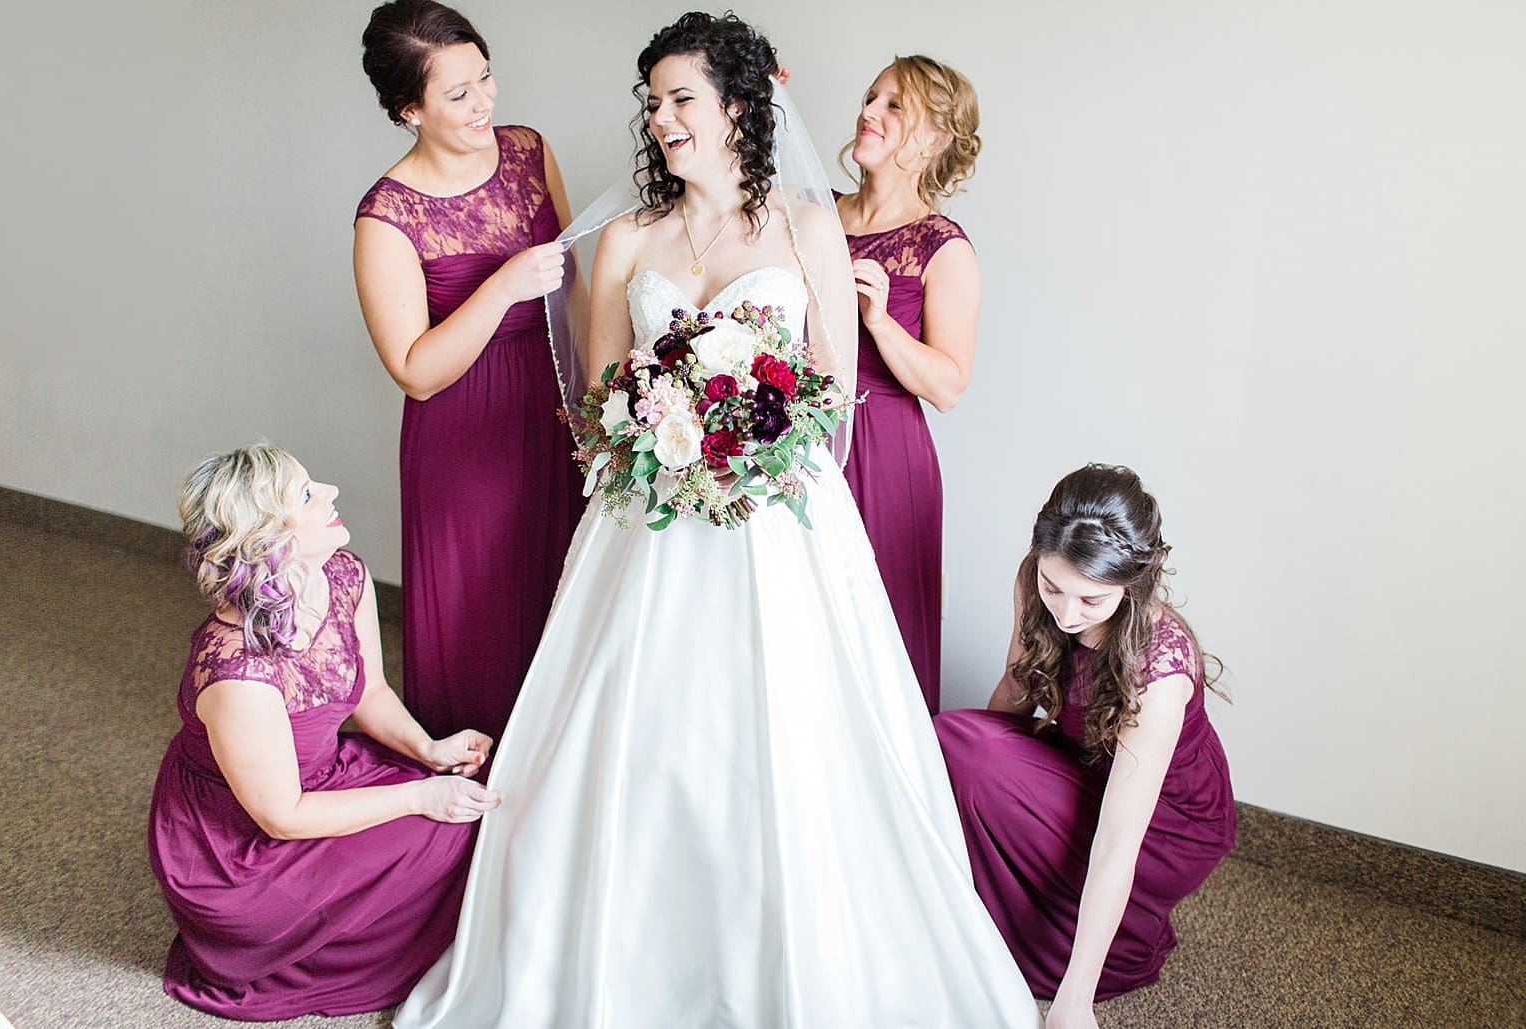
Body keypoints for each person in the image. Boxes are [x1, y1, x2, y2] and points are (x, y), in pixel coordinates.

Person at [394, 14, 1041, 1028]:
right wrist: (657, 430)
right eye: (652, 102)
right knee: (633, 748)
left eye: (681, 99)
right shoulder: (626, 240)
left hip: (776, 522)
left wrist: (748, 442)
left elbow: (831, 389)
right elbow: (600, 397)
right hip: (643, 523)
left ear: (739, 104)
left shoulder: (804, 226)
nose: (661, 120)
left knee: (786, 748)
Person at [147, 444, 500, 1020]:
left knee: (470, 803)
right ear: (269, 539)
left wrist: (429, 751)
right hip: (240, 850)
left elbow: (371, 691)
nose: (332, 493)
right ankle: (312, 951)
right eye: (308, 494)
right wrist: (420, 793)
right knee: (444, 824)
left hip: (322, 777)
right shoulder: (238, 674)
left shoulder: (341, 574)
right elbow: (282, 815)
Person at [354, 0, 585, 745]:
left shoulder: (528, 150)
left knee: (562, 591)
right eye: (457, 94)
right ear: (406, 110)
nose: (484, 101)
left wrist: (598, 402)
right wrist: (502, 286)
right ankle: (469, 783)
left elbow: (575, 282)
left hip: (554, 407)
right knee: (478, 608)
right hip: (461, 436)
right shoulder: (386, 216)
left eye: (484, 77)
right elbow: (415, 370)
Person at [934, 464, 1236, 1028]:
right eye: (1054, 588)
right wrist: (965, 793)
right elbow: (1013, 695)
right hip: (1087, 763)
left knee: (974, 755)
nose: (1066, 614)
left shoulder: (1160, 670)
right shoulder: (1037, 581)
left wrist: (1073, 1003)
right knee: (955, 741)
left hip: (1167, 826)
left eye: (1091, 601)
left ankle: (1098, 949)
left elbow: (1121, 841)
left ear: (1131, 587)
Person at [836, 55, 983, 713]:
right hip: (798, 440)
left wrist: (879, 322)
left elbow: (948, 385)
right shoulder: (811, 214)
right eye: (872, 97)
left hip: (887, 452)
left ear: (932, 139)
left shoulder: (941, 247)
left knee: (877, 631)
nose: (869, 112)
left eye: (894, 105)